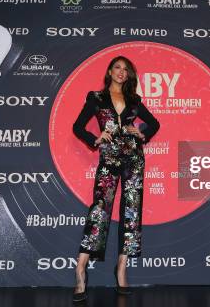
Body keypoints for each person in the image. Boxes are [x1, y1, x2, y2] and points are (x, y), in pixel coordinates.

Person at [71, 56, 160, 302]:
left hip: (134, 159)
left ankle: (121, 268)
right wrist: (95, 138)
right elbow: (78, 127)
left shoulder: (135, 101)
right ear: (110, 71)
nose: (122, 72)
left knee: (131, 212)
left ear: (129, 75)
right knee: (100, 210)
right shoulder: (96, 98)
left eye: (126, 70)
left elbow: (154, 124)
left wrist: (141, 133)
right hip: (109, 159)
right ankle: (80, 269)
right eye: (118, 68)